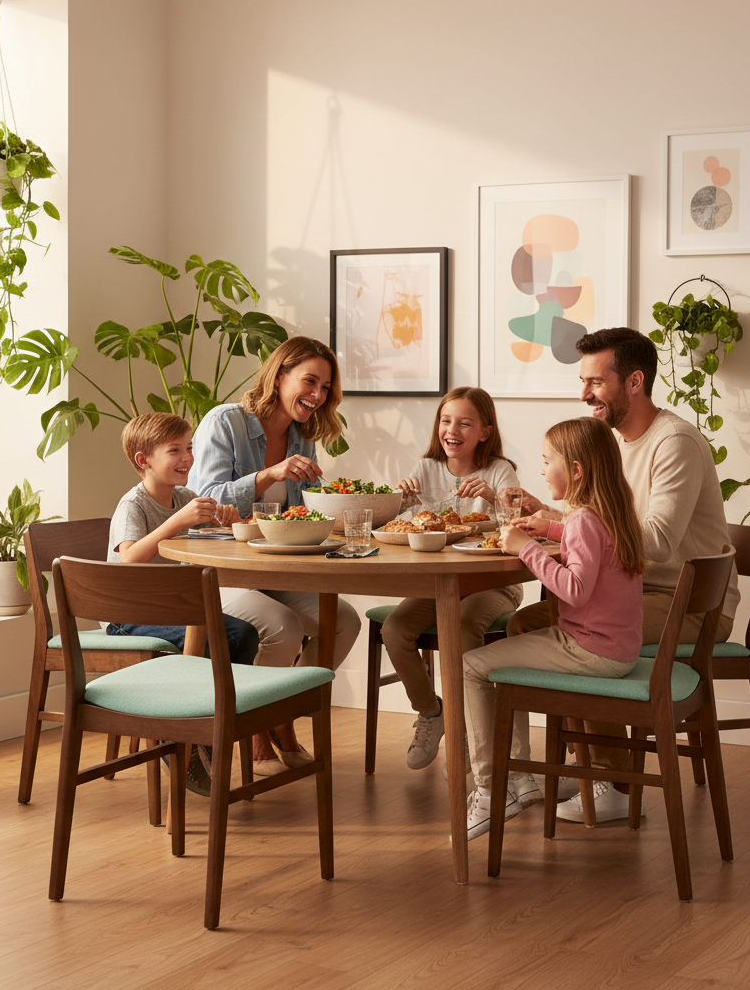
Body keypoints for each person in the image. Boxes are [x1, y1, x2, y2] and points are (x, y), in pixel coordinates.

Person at [508, 326, 739, 823]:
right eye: (583, 381)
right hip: (641, 589)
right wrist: (551, 513)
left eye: (596, 381)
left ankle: (613, 782)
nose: (584, 393)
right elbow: (603, 527)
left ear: (634, 382)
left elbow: (653, 542)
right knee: (536, 622)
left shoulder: (672, 442)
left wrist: (564, 522)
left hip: (687, 602)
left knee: (568, 629)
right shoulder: (613, 441)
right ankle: (588, 759)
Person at [462, 416, 645, 840]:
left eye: (548, 462)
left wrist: (527, 548)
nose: (542, 471)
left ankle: (491, 789)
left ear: (576, 470)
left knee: (471, 665)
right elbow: (592, 542)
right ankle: (516, 777)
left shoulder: (585, 519)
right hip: (617, 649)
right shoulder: (613, 511)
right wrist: (552, 529)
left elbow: (577, 590)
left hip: (588, 650)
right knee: (511, 643)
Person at [189, 335, 362, 775]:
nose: (318, 395)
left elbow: (301, 511)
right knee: (282, 627)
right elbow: (202, 501)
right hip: (219, 567)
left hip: (274, 567)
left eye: (326, 387)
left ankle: (278, 712)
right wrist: (268, 475)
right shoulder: (224, 422)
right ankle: (255, 729)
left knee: (343, 622)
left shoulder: (302, 437)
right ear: (280, 375)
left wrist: (342, 507)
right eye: (310, 381)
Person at [107, 412, 261, 795]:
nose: (187, 458)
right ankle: (179, 739)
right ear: (144, 460)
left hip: (175, 610)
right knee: (213, 639)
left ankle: (209, 725)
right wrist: (176, 522)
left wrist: (225, 519)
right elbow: (128, 558)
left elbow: (213, 534)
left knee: (242, 634)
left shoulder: (184, 497)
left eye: (189, 448)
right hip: (131, 617)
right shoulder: (135, 505)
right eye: (174, 450)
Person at [386, 387, 524, 771]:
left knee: (462, 628)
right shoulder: (425, 468)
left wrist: (498, 498)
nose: (453, 430)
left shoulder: (499, 470)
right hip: (439, 584)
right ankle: (432, 713)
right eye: (446, 421)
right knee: (395, 628)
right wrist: (398, 498)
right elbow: (402, 526)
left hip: (492, 583)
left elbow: (520, 529)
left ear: (484, 431)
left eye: (465, 423)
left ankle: (467, 734)